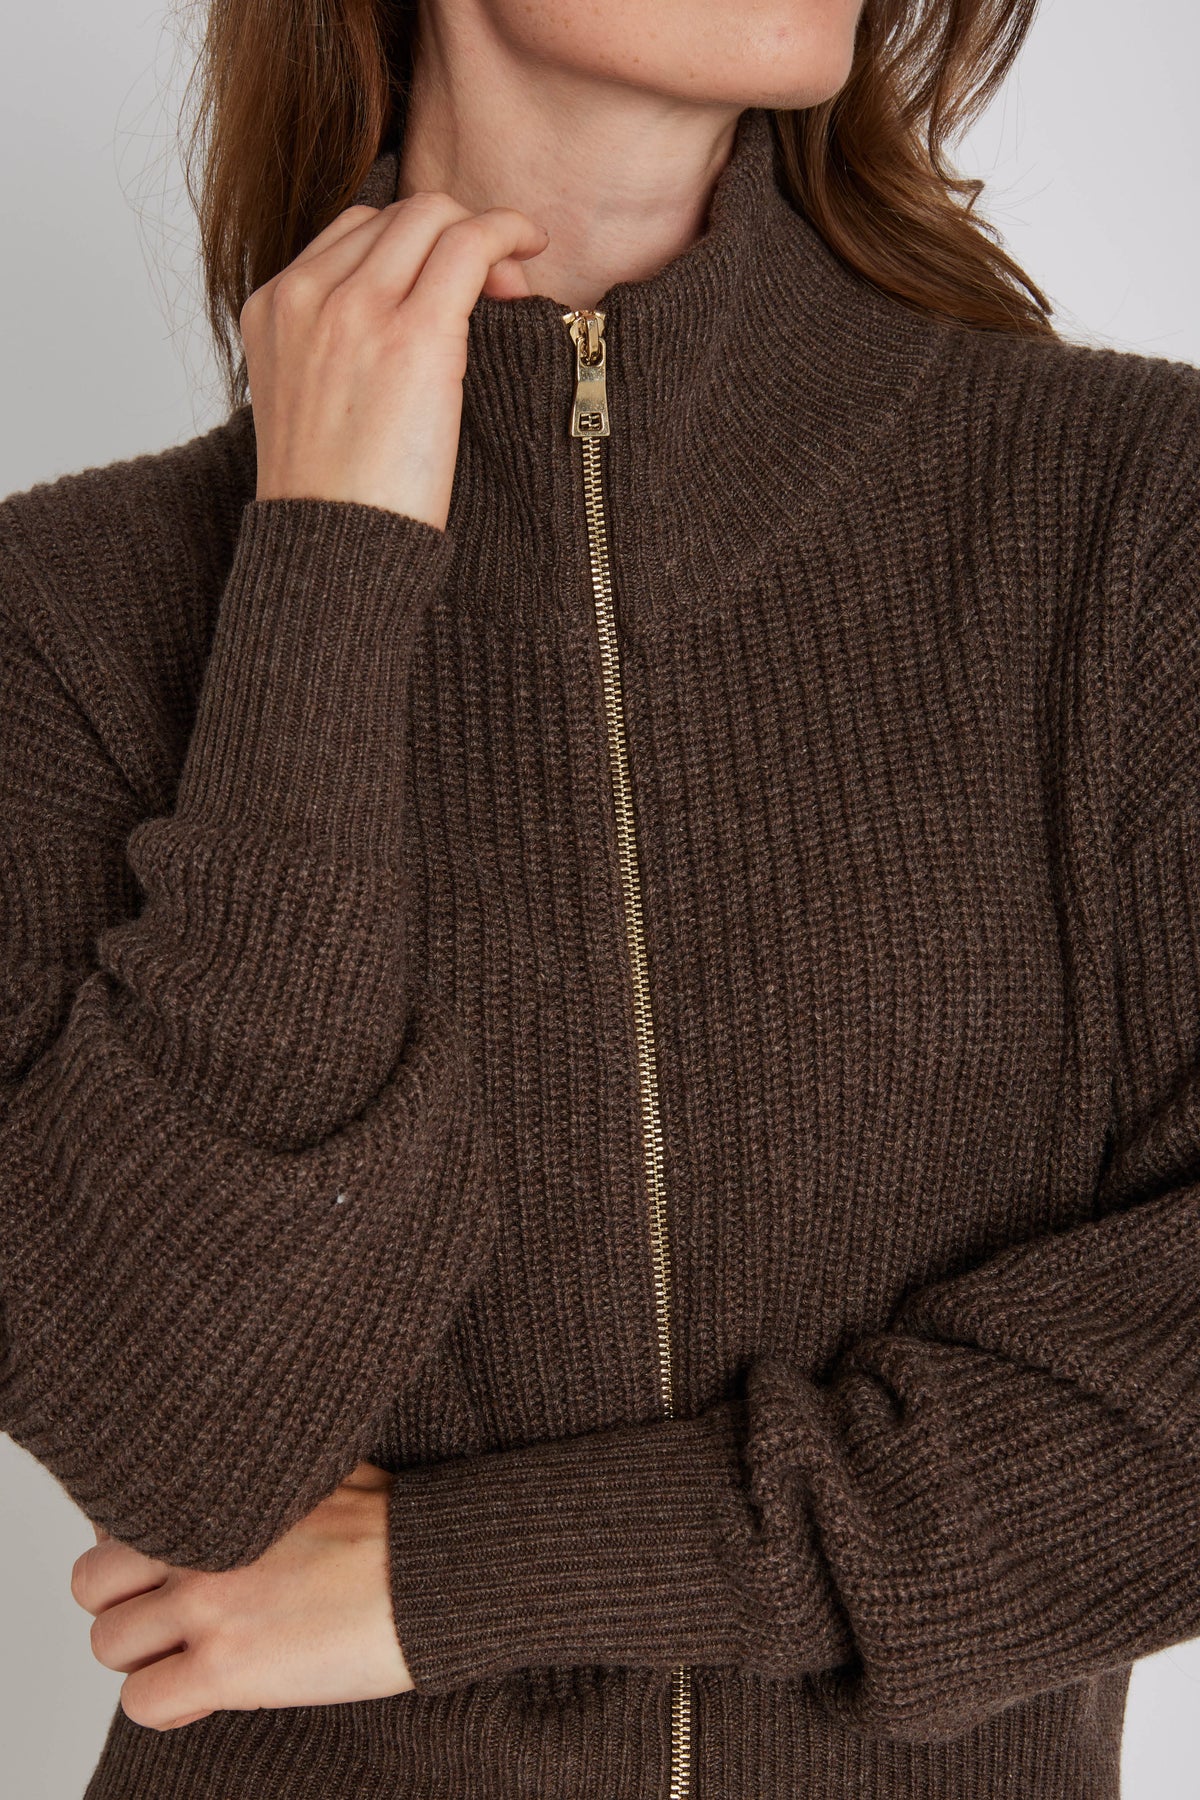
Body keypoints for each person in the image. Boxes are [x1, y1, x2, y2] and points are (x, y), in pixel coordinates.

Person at [2, 0, 1198, 1794]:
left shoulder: (1134, 524)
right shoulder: (63, 615)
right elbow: (190, 1443)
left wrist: (463, 1577)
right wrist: (323, 568)